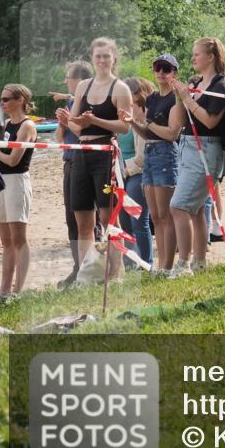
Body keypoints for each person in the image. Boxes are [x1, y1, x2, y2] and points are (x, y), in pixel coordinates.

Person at [55, 37, 133, 280]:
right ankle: (85, 275)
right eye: (98, 56)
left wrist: (95, 121)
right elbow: (77, 127)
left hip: (106, 154)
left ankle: (114, 274)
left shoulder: (120, 88)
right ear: (92, 57)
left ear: (113, 58)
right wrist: (67, 121)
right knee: (82, 218)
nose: (102, 60)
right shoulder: (83, 87)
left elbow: (125, 127)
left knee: (109, 217)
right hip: (81, 153)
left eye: (106, 56)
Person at [168, 37, 225, 277]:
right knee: (197, 208)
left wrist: (189, 99)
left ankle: (183, 264)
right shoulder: (197, 83)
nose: (192, 59)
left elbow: (210, 120)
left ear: (211, 57)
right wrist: (180, 95)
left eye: (196, 54)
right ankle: (199, 264)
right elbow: (179, 121)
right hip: (187, 146)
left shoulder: (221, 86)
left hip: (208, 149)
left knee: (179, 206)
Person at [123, 53, 182, 274]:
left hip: (166, 154)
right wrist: (134, 123)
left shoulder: (175, 99)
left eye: (166, 68)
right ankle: (160, 266)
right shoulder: (153, 98)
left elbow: (172, 133)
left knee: (165, 215)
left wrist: (147, 122)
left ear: (174, 72)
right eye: (157, 68)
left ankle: (167, 265)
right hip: (150, 152)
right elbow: (147, 133)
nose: (160, 72)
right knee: (156, 216)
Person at [0, 84, 37, 305]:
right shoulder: (6, 124)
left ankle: (18, 291)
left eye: (7, 99)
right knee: (6, 241)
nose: (3, 103)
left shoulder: (27, 125)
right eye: (1, 99)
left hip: (16, 180)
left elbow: (13, 160)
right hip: (0, 181)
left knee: (19, 239)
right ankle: (4, 290)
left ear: (20, 100)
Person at [53, 60, 94, 288]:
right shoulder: (71, 101)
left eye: (67, 77)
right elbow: (60, 138)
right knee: (71, 219)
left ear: (78, 80)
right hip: (68, 162)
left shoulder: (92, 102)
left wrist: (69, 121)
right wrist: (62, 123)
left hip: (85, 162)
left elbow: (88, 136)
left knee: (86, 221)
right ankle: (78, 267)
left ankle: (88, 269)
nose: (65, 81)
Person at [116, 77, 154, 267]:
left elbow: (141, 158)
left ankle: (146, 263)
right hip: (123, 173)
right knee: (124, 220)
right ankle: (130, 262)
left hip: (136, 173)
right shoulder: (122, 116)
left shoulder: (143, 118)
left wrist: (124, 170)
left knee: (138, 221)